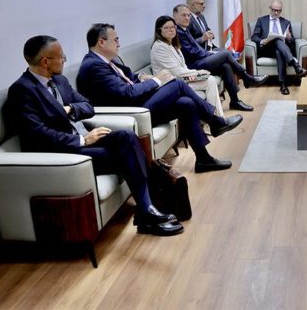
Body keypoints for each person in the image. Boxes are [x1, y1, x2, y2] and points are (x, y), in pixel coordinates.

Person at [6, 35, 183, 236]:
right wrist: (82, 140)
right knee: (127, 155)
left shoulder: (60, 81)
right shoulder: (22, 91)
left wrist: (71, 109)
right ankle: (146, 212)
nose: (64, 60)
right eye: (61, 57)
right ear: (45, 62)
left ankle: (146, 210)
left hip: (85, 139)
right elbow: (38, 134)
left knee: (126, 137)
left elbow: (88, 106)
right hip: (63, 152)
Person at [76, 23, 241, 174]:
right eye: (116, 39)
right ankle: (215, 121)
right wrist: (156, 80)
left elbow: (127, 79)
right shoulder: (94, 66)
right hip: (130, 114)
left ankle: (204, 159)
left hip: (137, 104)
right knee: (177, 84)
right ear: (101, 42)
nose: (119, 43)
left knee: (186, 103)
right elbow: (127, 93)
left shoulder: (104, 61)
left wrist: (142, 77)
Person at [174, 4, 267, 112]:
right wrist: (209, 54)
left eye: (188, 15)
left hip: (199, 59)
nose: (187, 18)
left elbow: (195, 48)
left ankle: (235, 101)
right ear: (175, 16)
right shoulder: (178, 32)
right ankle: (247, 77)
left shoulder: (184, 29)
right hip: (192, 66)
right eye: (183, 15)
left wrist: (209, 53)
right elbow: (191, 52)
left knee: (226, 66)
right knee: (225, 54)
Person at [150, 15, 227, 117]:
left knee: (210, 79)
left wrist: (199, 75)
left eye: (173, 27)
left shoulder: (172, 44)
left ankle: (217, 117)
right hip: (170, 85)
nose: (171, 30)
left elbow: (183, 67)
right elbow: (177, 72)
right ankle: (217, 118)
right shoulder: (159, 47)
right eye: (166, 28)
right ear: (159, 31)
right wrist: (198, 73)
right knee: (210, 80)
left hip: (182, 79)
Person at [251, 0, 307, 95]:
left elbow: (292, 42)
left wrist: (289, 38)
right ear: (270, 9)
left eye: (278, 10)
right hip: (267, 49)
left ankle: (283, 85)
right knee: (277, 40)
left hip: (281, 49)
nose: (276, 13)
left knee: (278, 49)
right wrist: (262, 41)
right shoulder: (261, 20)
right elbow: (254, 36)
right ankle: (295, 65)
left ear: (281, 11)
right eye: (274, 10)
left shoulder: (286, 22)